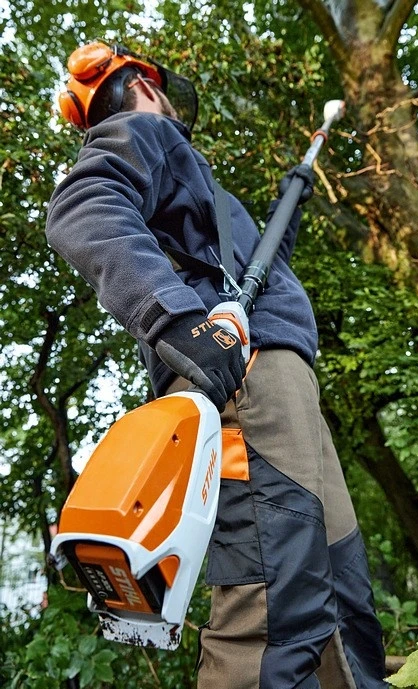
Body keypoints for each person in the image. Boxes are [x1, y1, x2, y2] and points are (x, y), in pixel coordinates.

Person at [46, 41, 387, 689]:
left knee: (341, 594)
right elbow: (82, 207)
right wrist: (178, 320)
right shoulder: (143, 130)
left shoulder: (192, 177)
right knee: (273, 599)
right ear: (144, 87)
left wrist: (288, 205)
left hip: (282, 380)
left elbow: (252, 269)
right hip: (243, 378)